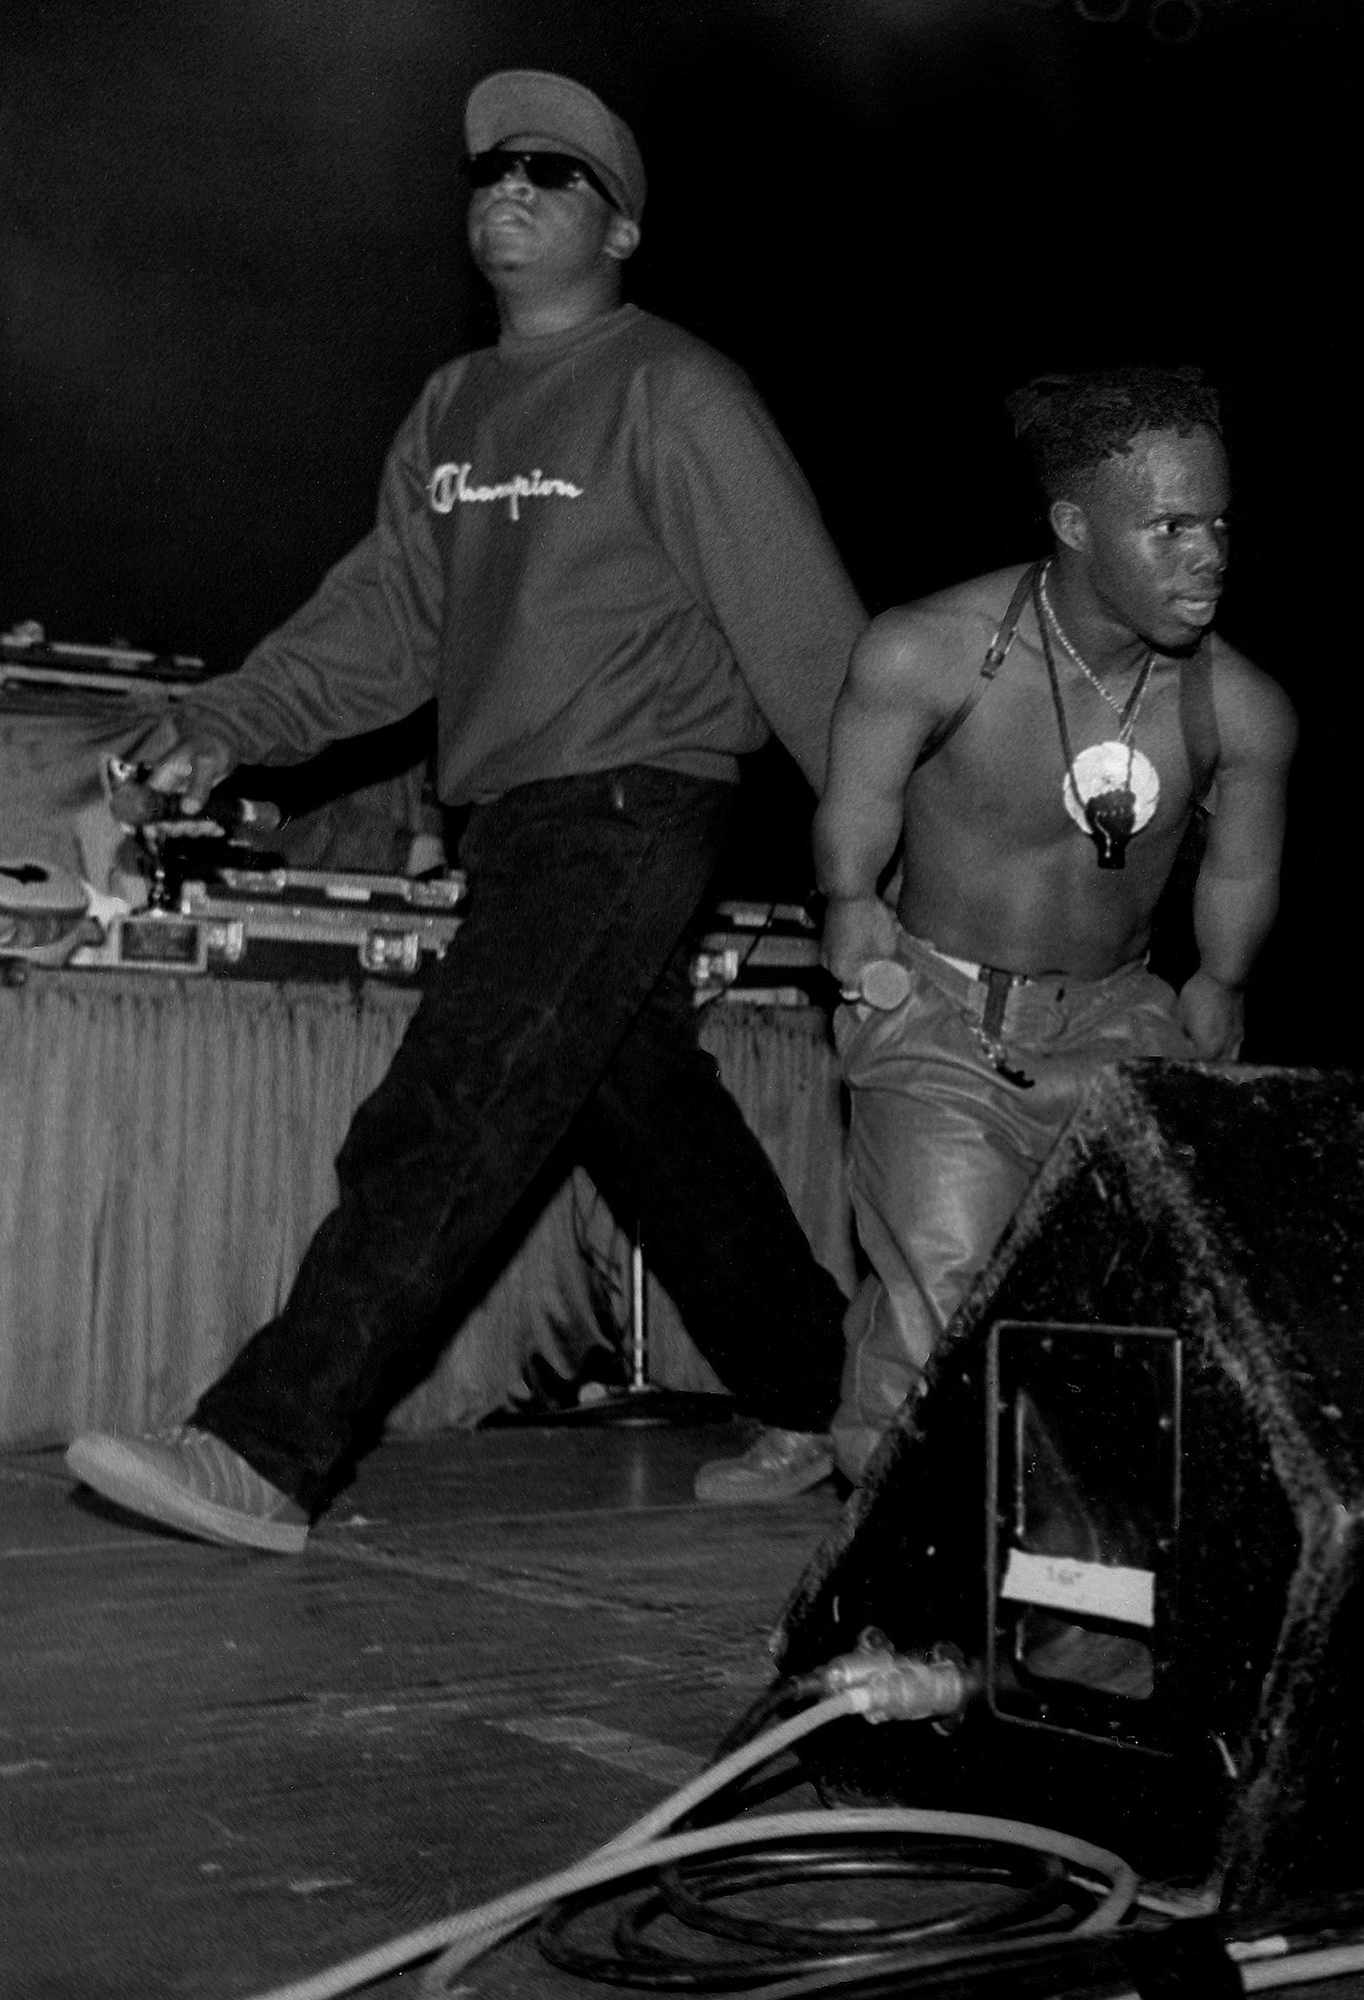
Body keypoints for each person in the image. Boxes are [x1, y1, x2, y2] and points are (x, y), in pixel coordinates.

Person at [66, 69, 862, 1552]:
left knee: (456, 1107)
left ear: (620, 228)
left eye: (552, 170)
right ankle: (829, 1393)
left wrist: (887, 873)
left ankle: (265, 1446)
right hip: (519, 821)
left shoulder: (674, 391)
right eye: (492, 165)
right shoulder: (456, 405)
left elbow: (810, 640)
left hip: (634, 798)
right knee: (647, 1120)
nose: (508, 185)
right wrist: (225, 723)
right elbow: (381, 624)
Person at [787, 366, 1295, 1486]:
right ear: (1075, 525)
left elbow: (1243, 867)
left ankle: (1082, 1615)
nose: (1207, 555)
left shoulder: (1238, 704)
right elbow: (855, 810)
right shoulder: (929, 649)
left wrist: (1218, 982)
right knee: (940, 1307)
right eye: (1168, 528)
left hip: (1120, 1029)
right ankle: (911, 1600)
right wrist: (854, 908)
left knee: (1124, 1331)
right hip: (945, 1024)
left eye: (1216, 524)